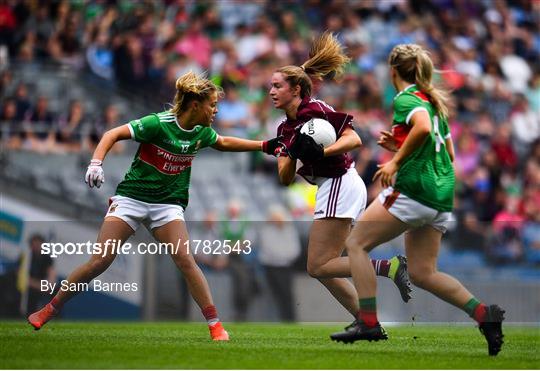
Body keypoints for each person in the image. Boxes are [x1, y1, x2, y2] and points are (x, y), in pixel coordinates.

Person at [27, 71, 283, 341]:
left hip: (167, 205)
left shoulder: (201, 132)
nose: (216, 110)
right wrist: (96, 162)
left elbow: (224, 142)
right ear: (195, 105)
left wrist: (265, 145)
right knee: (100, 261)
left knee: (185, 260)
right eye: (212, 104)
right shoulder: (157, 124)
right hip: (132, 199)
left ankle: (215, 325)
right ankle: (49, 308)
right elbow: (112, 133)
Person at [330, 44, 505, 356]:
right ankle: (484, 315)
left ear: (393, 70)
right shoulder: (436, 104)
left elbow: (421, 128)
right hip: (441, 195)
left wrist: (396, 162)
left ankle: (368, 321)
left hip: (416, 188)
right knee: (423, 273)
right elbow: (447, 153)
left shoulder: (406, 98)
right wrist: (399, 146)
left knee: (356, 244)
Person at [268, 31, 412, 325]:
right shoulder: (285, 130)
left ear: (296, 89)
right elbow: (285, 178)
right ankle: (368, 321)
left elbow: (354, 139)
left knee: (318, 265)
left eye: (277, 86)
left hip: (339, 181)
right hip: (334, 185)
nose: (270, 91)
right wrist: (293, 152)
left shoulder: (315, 110)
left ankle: (388, 267)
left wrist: (321, 152)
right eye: (270, 86)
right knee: (324, 269)